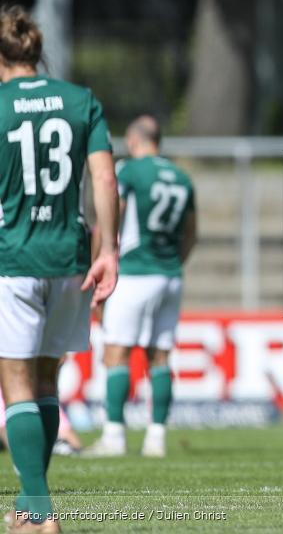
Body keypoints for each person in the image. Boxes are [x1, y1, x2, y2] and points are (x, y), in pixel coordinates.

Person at [0, 4, 119, 533]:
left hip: (14, 256)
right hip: (70, 259)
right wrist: (108, 250)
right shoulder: (80, 100)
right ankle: (30, 506)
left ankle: (40, 512)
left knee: (16, 385)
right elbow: (105, 180)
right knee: (47, 382)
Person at [85, 115, 196, 458]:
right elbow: (191, 233)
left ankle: (114, 436)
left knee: (116, 351)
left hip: (133, 272)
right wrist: (173, 263)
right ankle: (156, 438)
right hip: (170, 275)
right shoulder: (182, 177)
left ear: (133, 141)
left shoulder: (129, 171)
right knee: (159, 356)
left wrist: (99, 262)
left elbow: (109, 218)